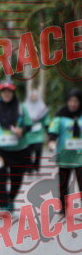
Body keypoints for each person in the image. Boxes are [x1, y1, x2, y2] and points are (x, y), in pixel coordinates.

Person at [0, 81, 32, 215]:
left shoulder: (21, 107)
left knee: (17, 179)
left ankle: (10, 199)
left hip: (19, 150)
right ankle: (3, 205)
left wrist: (22, 130)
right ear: (0, 93)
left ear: (13, 93)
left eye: (9, 91)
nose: (6, 94)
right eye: (4, 91)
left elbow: (29, 124)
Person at [47, 89, 82, 218]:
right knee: (63, 183)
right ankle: (63, 206)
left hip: (80, 156)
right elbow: (53, 130)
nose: (73, 104)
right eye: (71, 101)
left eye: (76, 101)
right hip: (65, 156)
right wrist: (51, 140)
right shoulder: (61, 115)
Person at [24, 89, 49, 173]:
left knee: (38, 149)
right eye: (32, 95)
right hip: (28, 133)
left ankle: (36, 165)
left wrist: (48, 130)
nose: (34, 97)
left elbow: (46, 120)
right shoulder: (25, 107)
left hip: (39, 133)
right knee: (28, 151)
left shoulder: (42, 107)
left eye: (35, 95)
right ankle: (29, 167)